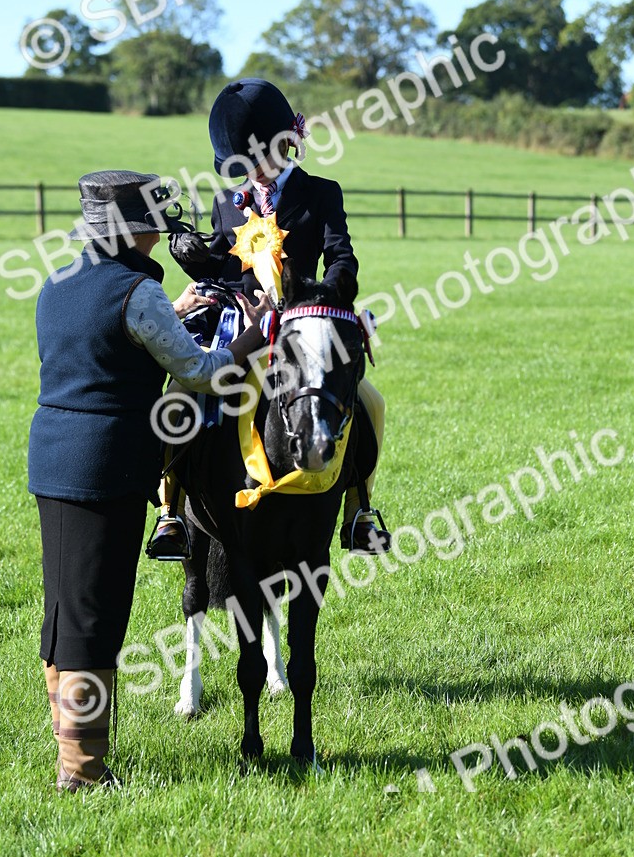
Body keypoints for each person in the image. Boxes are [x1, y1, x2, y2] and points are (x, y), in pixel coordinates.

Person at [28, 170, 267, 792]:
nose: (160, 234)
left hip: (51, 457)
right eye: (151, 224)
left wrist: (171, 313)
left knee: (64, 609)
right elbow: (203, 371)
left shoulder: (57, 282)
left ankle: (72, 753)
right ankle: (82, 772)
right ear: (132, 232)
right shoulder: (138, 292)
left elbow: (95, 344)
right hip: (105, 465)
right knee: (96, 617)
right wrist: (254, 335)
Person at [147, 78, 389, 559]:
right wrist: (194, 257)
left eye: (258, 160)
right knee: (179, 395)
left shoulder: (320, 194)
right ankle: (170, 512)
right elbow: (223, 270)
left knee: (371, 402)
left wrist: (325, 294)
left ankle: (359, 512)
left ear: (286, 143)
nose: (253, 173)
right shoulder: (226, 204)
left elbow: (341, 255)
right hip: (242, 325)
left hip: (304, 323)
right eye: (243, 165)